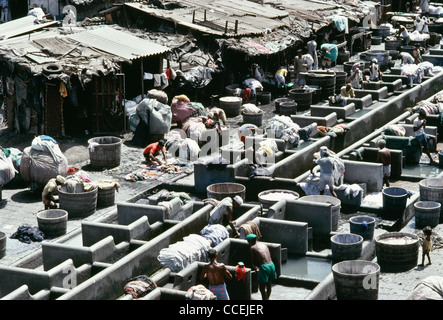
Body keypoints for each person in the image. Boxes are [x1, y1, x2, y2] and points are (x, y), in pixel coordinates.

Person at [246, 234, 277, 300]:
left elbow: (253, 261)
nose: (248, 243)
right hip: (271, 265)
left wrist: (255, 267)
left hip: (264, 267)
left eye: (248, 241)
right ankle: (267, 298)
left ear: (250, 241)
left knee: (262, 287)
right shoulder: (264, 245)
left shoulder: (252, 248)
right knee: (269, 284)